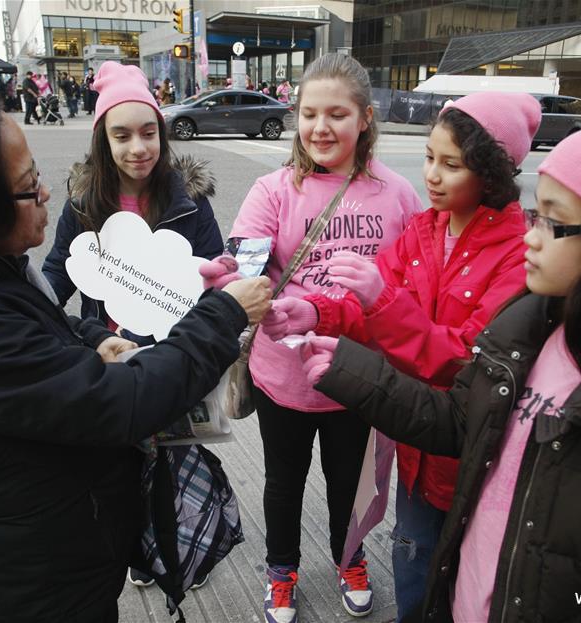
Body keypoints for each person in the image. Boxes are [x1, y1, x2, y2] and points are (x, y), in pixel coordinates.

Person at [0, 78, 272, 623]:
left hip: (67, 555)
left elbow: (37, 326)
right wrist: (226, 313)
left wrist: (89, 338)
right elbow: (122, 403)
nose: (45, 195)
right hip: (44, 591)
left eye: (38, 176)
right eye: (27, 186)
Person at [303, 85, 581, 621]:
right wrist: (324, 328)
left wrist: (379, 308)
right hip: (435, 501)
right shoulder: (533, 324)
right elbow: (462, 417)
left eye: (552, 221)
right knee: (415, 559)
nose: (533, 234)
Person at [263, 92, 541, 622]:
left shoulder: (516, 254)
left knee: (462, 578)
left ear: (494, 173)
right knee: (411, 557)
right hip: (415, 446)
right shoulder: (425, 229)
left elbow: (467, 362)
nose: (432, 175)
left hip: (469, 457)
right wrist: (312, 313)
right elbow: (363, 305)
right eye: (430, 157)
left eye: (451, 164)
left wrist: (380, 301)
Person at [198, 53, 423, 623]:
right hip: (283, 374)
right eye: (309, 114)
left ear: (365, 118)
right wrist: (225, 275)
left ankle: (349, 558)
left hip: (357, 372)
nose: (321, 128)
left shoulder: (396, 194)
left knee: (349, 480)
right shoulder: (274, 190)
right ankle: (282, 570)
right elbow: (245, 264)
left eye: (337, 114)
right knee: (283, 481)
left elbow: (412, 283)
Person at [43, 63, 224, 589]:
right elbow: (59, 274)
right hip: (113, 358)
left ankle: (177, 544)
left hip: (173, 354)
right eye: (121, 136)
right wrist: (84, 333)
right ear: (103, 139)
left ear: (162, 134)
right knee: (122, 464)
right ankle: (138, 548)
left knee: (176, 461)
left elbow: (211, 264)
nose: (137, 148)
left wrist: (218, 277)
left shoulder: (188, 200)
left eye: (148, 133)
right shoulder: (84, 203)